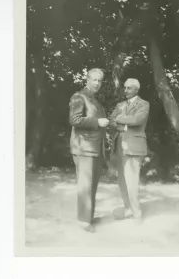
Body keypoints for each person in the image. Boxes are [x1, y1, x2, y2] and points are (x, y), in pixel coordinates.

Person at [69, 68, 109, 233]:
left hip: (95, 148)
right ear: (87, 80)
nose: (97, 83)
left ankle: (88, 216)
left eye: (100, 81)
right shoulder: (79, 97)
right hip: (84, 147)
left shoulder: (95, 100)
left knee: (92, 185)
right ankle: (83, 221)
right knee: (85, 185)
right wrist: (97, 122)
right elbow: (74, 119)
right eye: (94, 80)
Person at [109, 78, 150, 221]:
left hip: (134, 147)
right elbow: (112, 119)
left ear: (136, 89)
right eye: (124, 88)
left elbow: (137, 120)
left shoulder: (144, 104)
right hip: (119, 146)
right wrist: (123, 124)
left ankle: (137, 214)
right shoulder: (120, 105)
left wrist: (121, 120)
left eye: (129, 88)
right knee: (122, 181)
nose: (125, 90)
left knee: (131, 181)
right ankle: (127, 209)